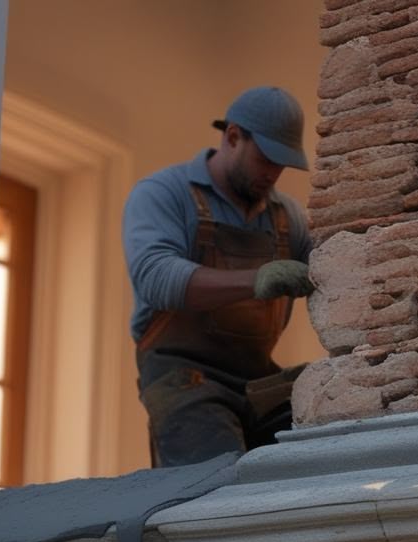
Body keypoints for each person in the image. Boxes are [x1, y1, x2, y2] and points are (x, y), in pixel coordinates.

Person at [122, 86, 315, 468]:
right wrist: (255, 280)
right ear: (232, 137)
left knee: (321, 425)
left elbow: (330, 268)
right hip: (182, 378)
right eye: (266, 159)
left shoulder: (287, 217)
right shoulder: (164, 193)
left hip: (256, 381)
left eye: (282, 165)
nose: (273, 174)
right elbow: (156, 277)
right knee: (216, 479)